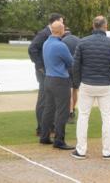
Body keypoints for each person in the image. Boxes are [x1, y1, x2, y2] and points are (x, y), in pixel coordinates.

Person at [71, 16, 110, 160]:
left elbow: (75, 66)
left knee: (83, 116)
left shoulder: (82, 43)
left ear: (93, 26)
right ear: (105, 26)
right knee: (107, 118)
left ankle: (81, 150)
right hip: (105, 85)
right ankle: (107, 151)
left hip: (87, 84)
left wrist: (77, 83)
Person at [39, 21, 75, 150]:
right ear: (60, 30)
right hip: (60, 80)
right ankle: (59, 140)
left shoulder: (46, 43)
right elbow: (71, 63)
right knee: (62, 111)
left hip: (48, 79)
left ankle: (44, 136)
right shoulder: (61, 45)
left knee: (48, 109)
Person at [28, 13, 64, 136]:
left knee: (50, 100)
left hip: (49, 72)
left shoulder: (50, 34)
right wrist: (40, 66)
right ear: (54, 22)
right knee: (43, 100)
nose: (63, 24)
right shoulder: (44, 33)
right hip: (43, 72)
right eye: (61, 21)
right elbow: (32, 48)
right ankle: (41, 128)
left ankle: (50, 126)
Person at [62, 29, 80, 124]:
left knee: (68, 91)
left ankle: (70, 113)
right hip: (77, 69)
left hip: (67, 68)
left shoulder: (63, 41)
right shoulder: (78, 40)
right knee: (75, 90)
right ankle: (73, 109)